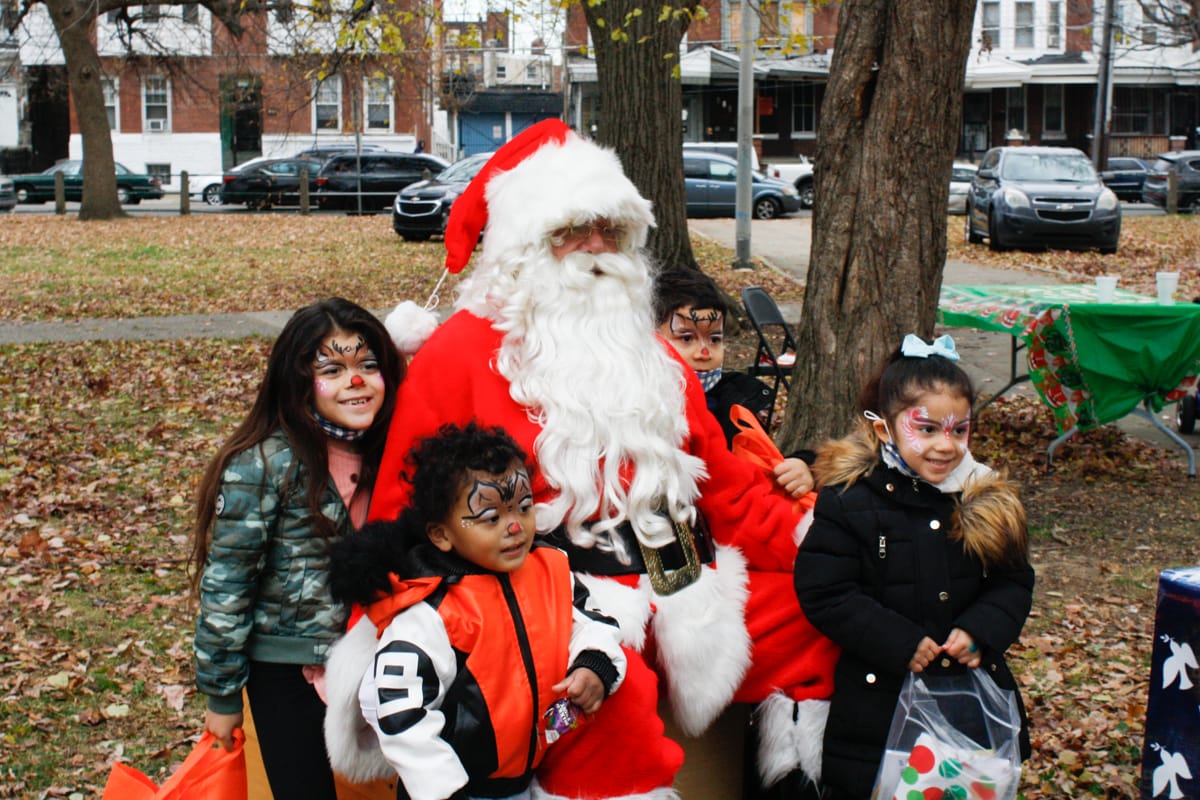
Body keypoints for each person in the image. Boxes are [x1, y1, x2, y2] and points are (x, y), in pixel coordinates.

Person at [369, 119, 839, 800]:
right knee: (592, 705)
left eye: (610, 232)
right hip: (551, 605)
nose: (595, 249)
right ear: (521, 249)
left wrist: (824, 545)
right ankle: (551, 754)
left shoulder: (651, 357)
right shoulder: (458, 356)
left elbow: (730, 490)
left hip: (684, 583)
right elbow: (402, 517)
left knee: (821, 615)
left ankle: (796, 784)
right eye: (571, 231)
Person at [323, 422, 627, 800]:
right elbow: (398, 708)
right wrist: (441, 787)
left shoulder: (552, 572)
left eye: (524, 506)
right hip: (456, 792)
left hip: (524, 781)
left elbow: (594, 623)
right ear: (441, 534)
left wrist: (594, 665)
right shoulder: (430, 613)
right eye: (490, 517)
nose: (514, 525)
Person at [794, 333, 1034, 799]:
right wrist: (899, 641)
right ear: (886, 428)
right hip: (877, 706)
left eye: (959, 430)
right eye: (926, 429)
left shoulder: (985, 499)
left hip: (965, 700)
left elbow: (1014, 580)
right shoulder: (850, 502)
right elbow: (826, 591)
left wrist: (981, 630)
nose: (945, 446)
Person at [189, 297, 404, 798]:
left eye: (368, 365)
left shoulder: (393, 453)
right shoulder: (262, 465)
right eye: (333, 369)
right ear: (299, 381)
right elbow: (227, 587)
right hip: (285, 668)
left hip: (375, 657)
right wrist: (221, 696)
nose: (356, 381)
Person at [651, 268, 813, 498]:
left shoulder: (737, 405)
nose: (704, 352)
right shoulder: (637, 412)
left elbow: (763, 468)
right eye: (686, 338)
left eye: (714, 338)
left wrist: (804, 466)